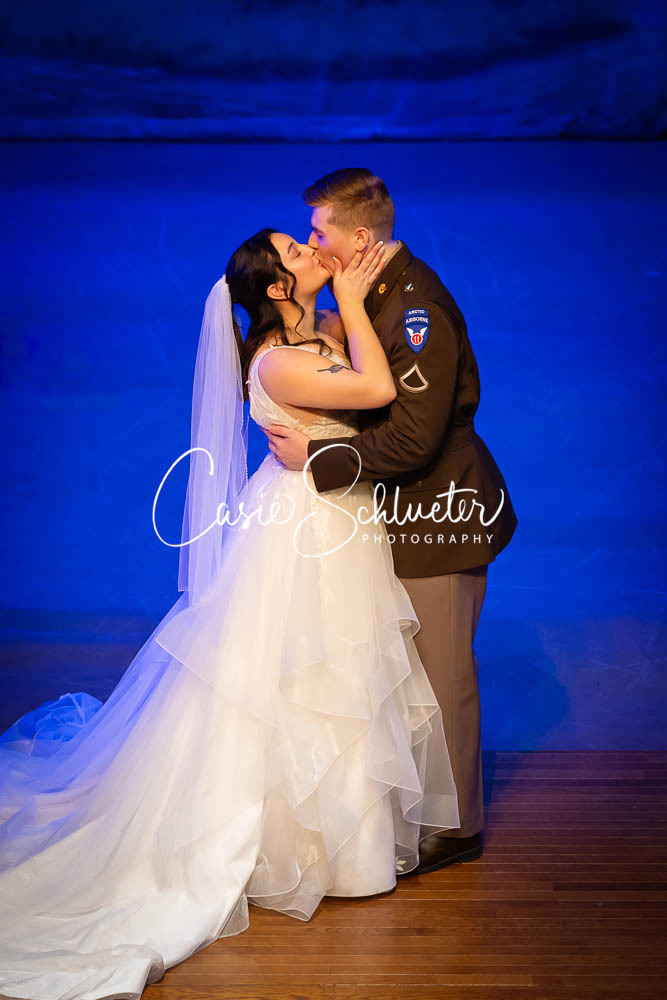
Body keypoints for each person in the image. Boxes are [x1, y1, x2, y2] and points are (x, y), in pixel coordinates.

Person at [0, 228, 460, 999]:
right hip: (305, 527)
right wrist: (351, 299)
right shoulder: (279, 359)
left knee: (342, 673)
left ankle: (349, 851)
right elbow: (378, 392)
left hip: (335, 516)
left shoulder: (313, 336)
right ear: (277, 287)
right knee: (305, 672)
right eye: (297, 249)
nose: (310, 248)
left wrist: (342, 308)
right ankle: (296, 849)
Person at [265, 168, 518, 876]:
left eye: (318, 230)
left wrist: (316, 459)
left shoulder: (414, 309)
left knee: (442, 674)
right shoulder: (371, 295)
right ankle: (416, 806)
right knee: (408, 675)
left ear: (358, 238)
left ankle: (457, 828)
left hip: (438, 514)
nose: (313, 242)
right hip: (397, 510)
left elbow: (412, 440)